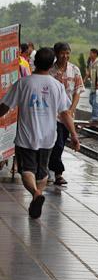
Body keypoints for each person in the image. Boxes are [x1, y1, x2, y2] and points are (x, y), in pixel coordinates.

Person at [0, 48, 80, 218]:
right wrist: (74, 135)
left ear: (34, 63)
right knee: (42, 171)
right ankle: (39, 192)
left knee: (27, 170)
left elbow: (5, 106)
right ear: (51, 65)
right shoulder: (57, 86)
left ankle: (36, 194)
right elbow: (65, 113)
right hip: (48, 137)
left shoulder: (23, 83)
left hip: (26, 136)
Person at [48, 42, 84, 186]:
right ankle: (58, 173)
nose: (65, 56)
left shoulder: (74, 70)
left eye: (67, 53)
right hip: (52, 114)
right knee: (57, 144)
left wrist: (72, 109)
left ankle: (52, 169)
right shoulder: (50, 70)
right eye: (62, 53)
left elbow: (78, 91)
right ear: (56, 54)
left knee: (61, 144)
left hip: (68, 115)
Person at [86, 48, 98, 123]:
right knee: (91, 101)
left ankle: (95, 117)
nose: (90, 55)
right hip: (93, 86)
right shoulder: (92, 62)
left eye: (91, 53)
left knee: (96, 102)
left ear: (95, 54)